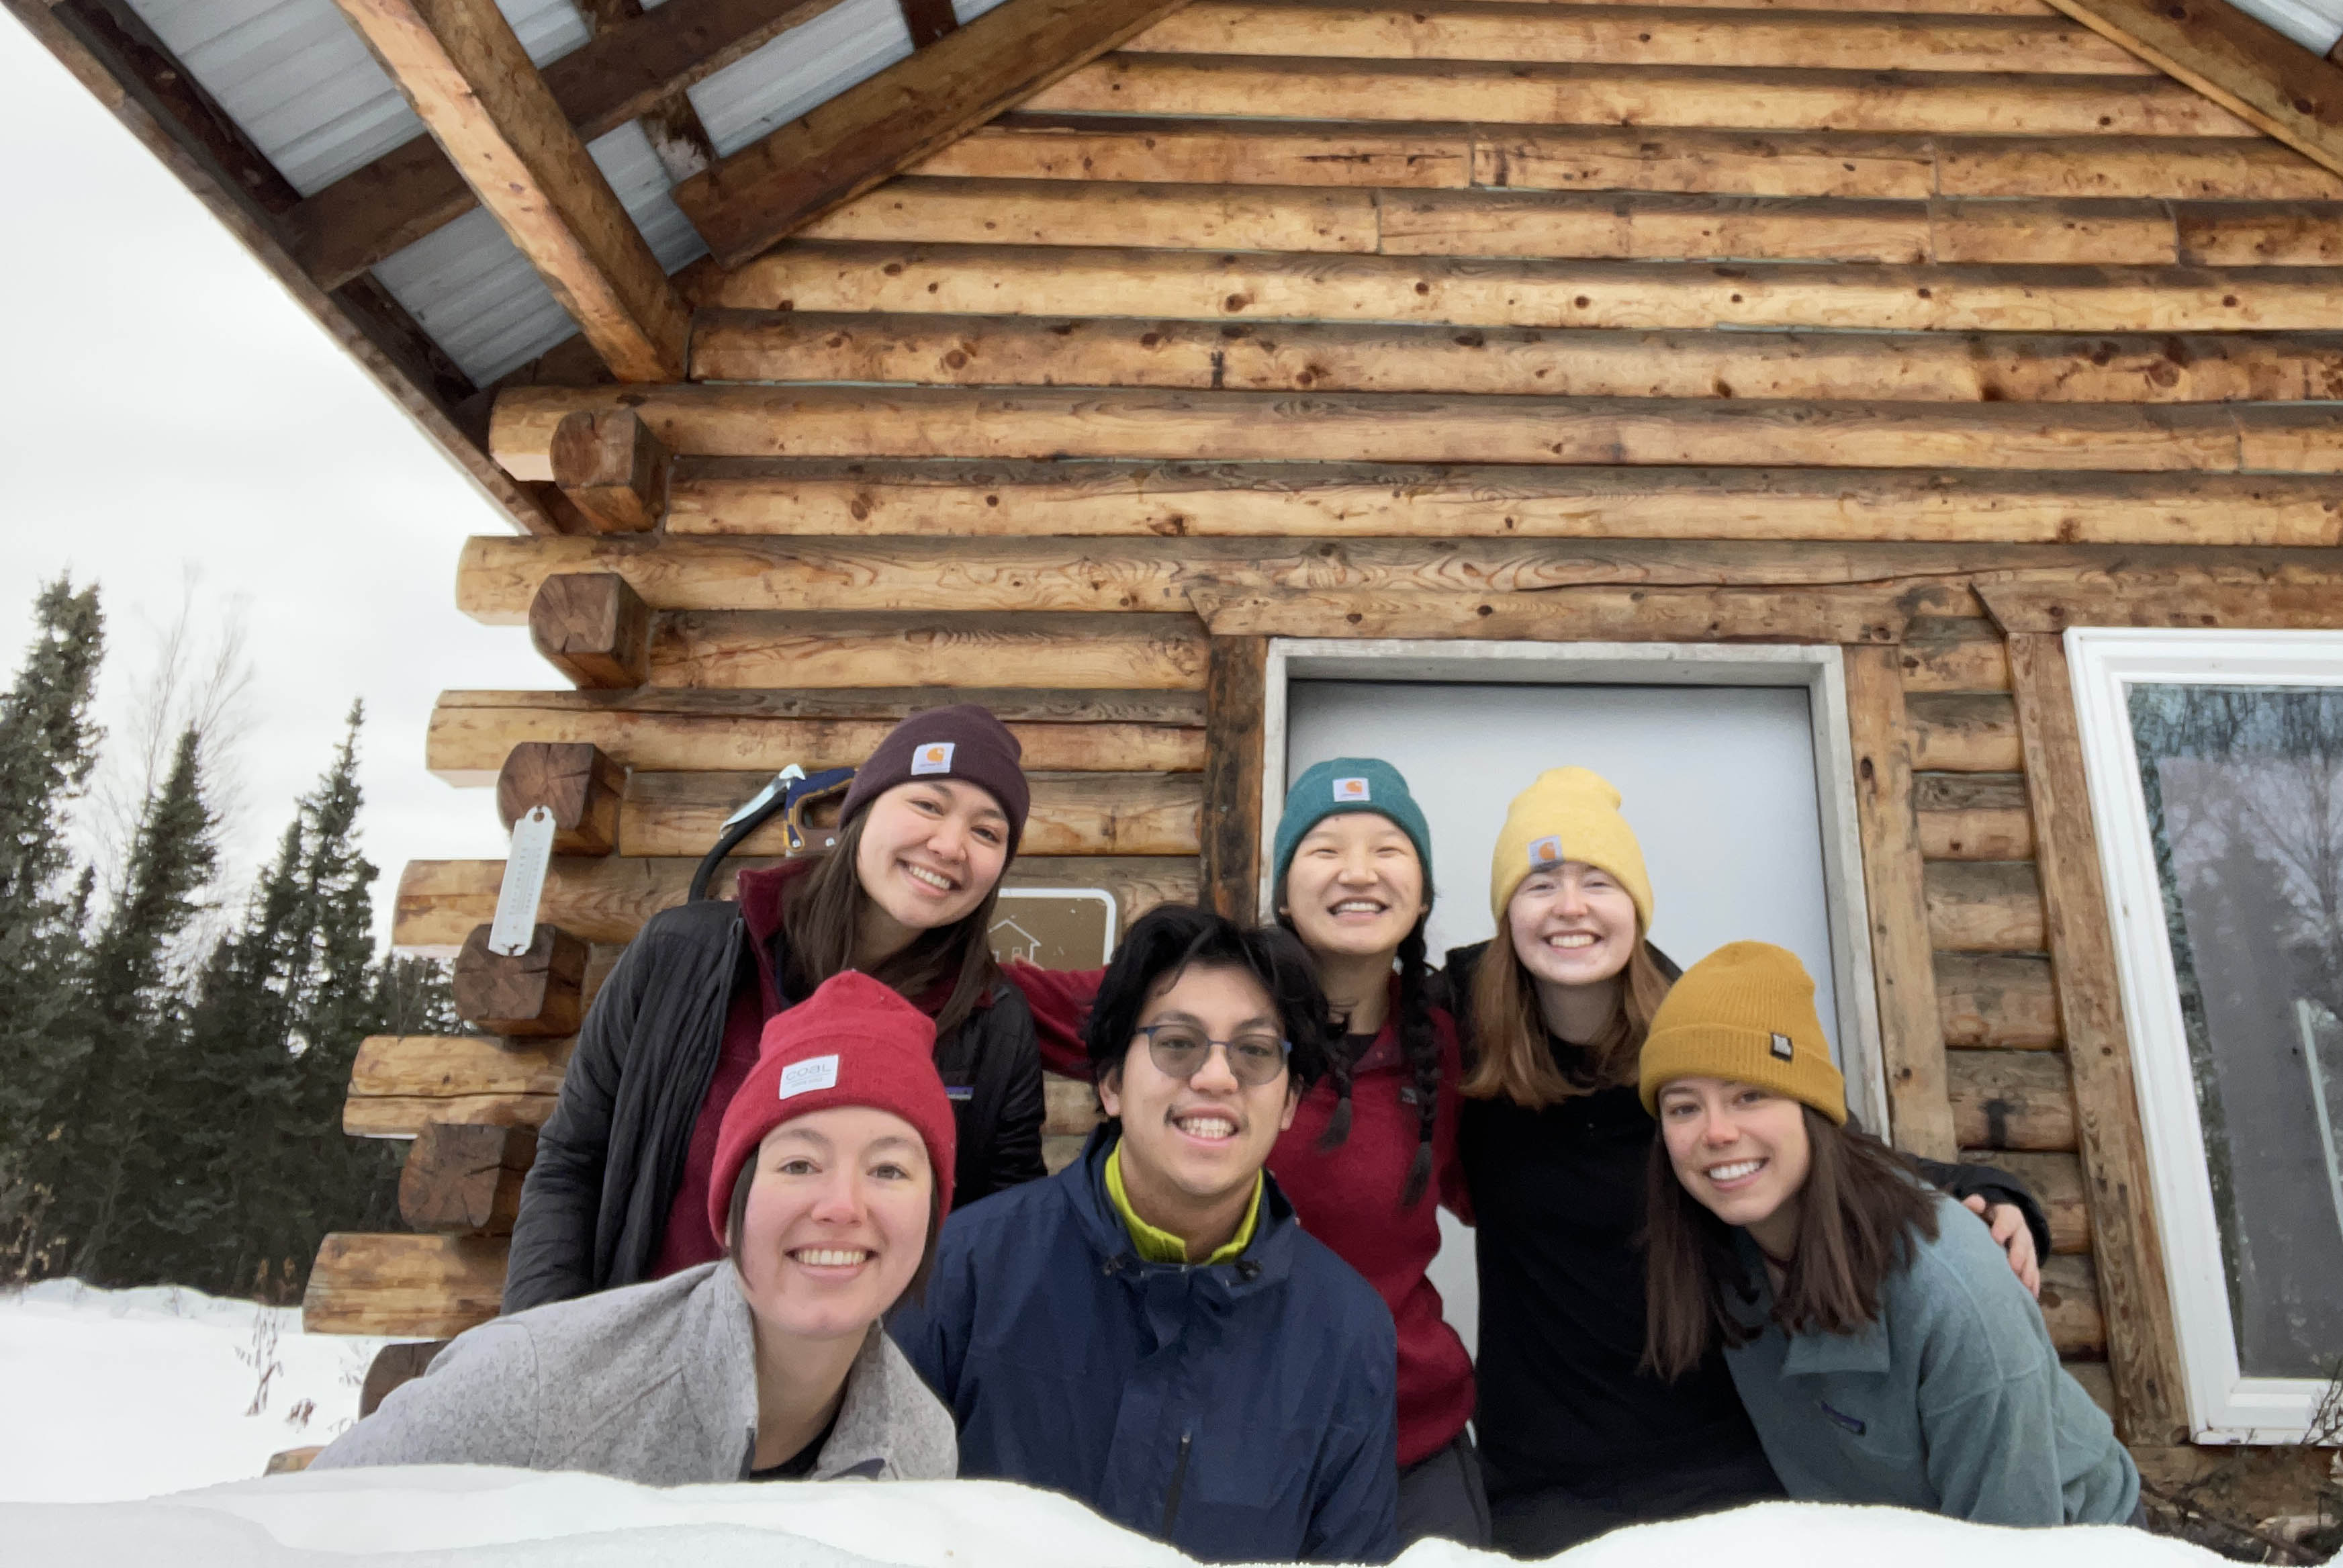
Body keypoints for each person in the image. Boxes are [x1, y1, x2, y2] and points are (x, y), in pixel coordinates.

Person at [1449, 767, 2054, 1555]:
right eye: (1539, 883)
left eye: (1598, 880)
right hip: (1544, 1479)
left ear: (1635, 903)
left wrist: (1990, 1191)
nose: (1570, 907)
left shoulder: (1699, 1046)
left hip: (1728, 1453)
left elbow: (1827, 1153)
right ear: (1505, 915)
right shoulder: (1461, 1037)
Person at [1008, 759, 1482, 1544]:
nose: (1358, 872)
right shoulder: (1204, 1014)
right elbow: (1001, 1002)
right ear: (1285, 888)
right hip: (1224, 1438)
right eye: (1325, 849)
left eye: (1389, 849)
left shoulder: (1450, 1042)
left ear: (1424, 892)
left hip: (1409, 1435)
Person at [890, 903, 1402, 1564]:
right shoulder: (964, 1271)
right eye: (1177, 1043)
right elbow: (877, 1526)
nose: (1216, 1078)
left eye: (1253, 1051)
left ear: (1291, 1103)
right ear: (1109, 1082)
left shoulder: (1345, 1332)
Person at [311, 972, 959, 1484]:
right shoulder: (533, 1385)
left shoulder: (921, 1448)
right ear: (732, 1208)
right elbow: (300, 1532)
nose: (842, 1205)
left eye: (889, 1169)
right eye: (799, 1162)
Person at [503, 704, 1046, 1313]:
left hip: (844, 1388)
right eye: (927, 805)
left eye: (987, 831)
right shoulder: (685, 956)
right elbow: (574, 1160)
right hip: (642, 1359)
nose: (949, 845)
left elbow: (1001, 1231)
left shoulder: (991, 1024)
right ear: (862, 812)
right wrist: (541, 1348)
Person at [1641, 941, 2140, 1525]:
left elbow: (2014, 1541)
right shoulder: (1713, 1251)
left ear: (1813, 1108)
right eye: (1683, 1107)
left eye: (1749, 1095)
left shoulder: (1948, 1289)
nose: (1716, 1131)